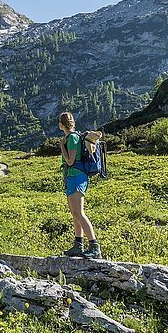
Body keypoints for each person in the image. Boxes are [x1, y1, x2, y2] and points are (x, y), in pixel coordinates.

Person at [59, 111, 102, 259]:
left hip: (77, 177)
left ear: (61, 125)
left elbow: (70, 161)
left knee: (79, 213)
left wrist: (62, 147)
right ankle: (78, 245)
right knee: (74, 214)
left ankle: (94, 246)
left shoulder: (72, 138)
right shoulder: (70, 137)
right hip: (72, 177)